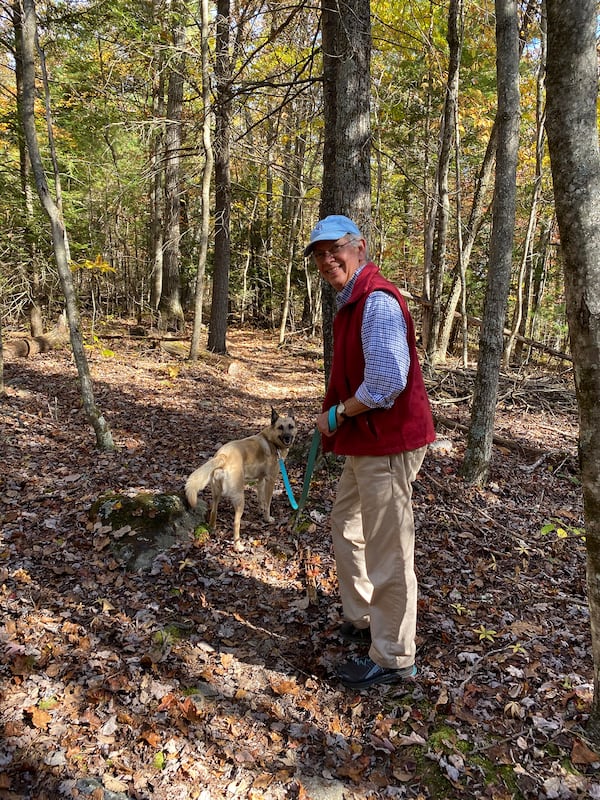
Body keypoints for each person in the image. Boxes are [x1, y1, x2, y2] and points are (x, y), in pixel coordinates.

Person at [306, 214, 436, 690]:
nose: (326, 259)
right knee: (347, 521)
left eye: (334, 249)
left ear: (359, 246)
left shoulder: (377, 301)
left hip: (387, 442)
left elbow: (385, 382)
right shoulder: (352, 299)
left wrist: (337, 415)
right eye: (318, 253)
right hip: (369, 444)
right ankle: (363, 616)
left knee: (388, 549)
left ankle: (395, 656)